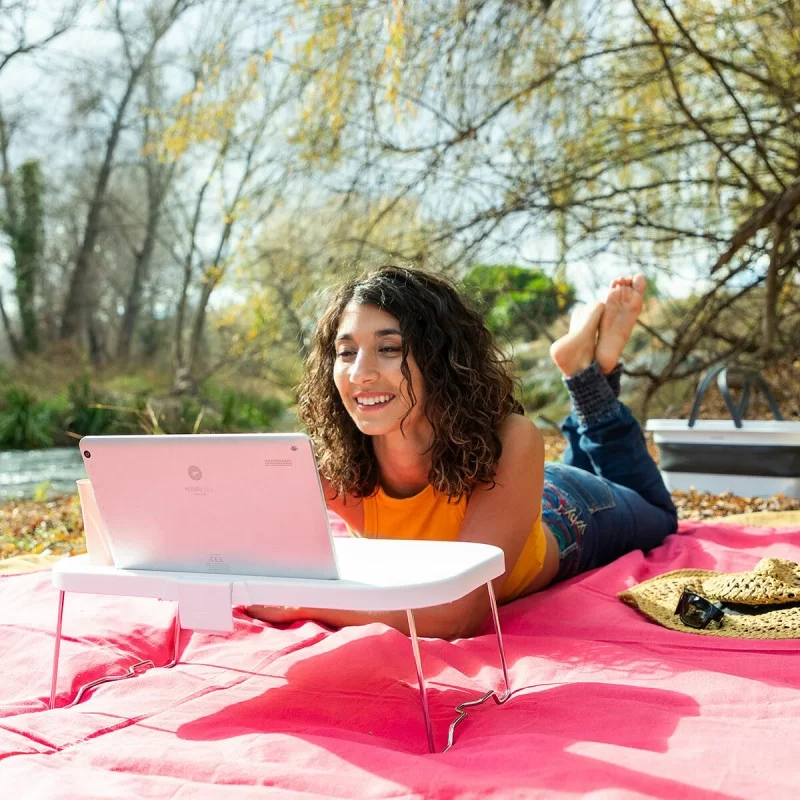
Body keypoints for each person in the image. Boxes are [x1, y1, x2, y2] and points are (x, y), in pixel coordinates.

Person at [246, 266, 678, 639]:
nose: (360, 373)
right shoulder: (334, 466)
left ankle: (586, 380)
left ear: (440, 358)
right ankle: (589, 370)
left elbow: (459, 614)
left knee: (660, 515)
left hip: (568, 514)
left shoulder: (511, 438)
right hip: (515, 496)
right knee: (584, 468)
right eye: (346, 352)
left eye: (389, 348)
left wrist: (306, 603)